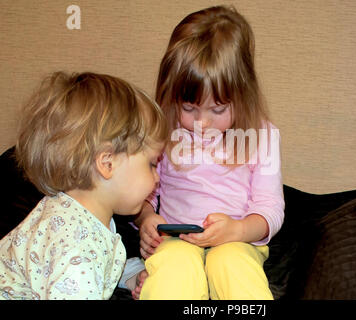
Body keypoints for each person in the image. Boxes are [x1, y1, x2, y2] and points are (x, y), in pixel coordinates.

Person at [134, 5, 285, 300]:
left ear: (244, 95)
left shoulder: (262, 136)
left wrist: (238, 231)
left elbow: (270, 208)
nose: (201, 122)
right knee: (173, 269)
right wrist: (146, 219)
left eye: (217, 109)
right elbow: (142, 192)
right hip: (176, 239)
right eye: (189, 108)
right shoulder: (164, 130)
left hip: (238, 241)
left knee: (231, 265)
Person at [0, 71, 167, 300]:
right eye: (151, 164)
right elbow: (81, 268)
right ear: (107, 163)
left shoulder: (84, 217)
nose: (157, 178)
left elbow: (104, 264)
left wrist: (134, 278)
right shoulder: (73, 243)